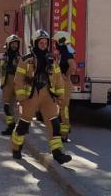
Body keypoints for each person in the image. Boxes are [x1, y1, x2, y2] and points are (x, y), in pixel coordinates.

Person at [11, 29, 73, 164]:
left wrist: (60, 96)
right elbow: (19, 79)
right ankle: (16, 148)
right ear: (35, 43)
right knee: (24, 124)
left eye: (46, 42)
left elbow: (58, 79)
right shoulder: (25, 59)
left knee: (54, 124)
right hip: (30, 96)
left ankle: (58, 154)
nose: (44, 44)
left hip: (47, 96)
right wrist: (21, 98)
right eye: (41, 42)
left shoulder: (52, 59)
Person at [0, 34, 22, 135]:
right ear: (8, 44)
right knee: (7, 107)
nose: (14, 46)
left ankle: (18, 127)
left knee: (17, 106)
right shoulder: (2, 57)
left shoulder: (21, 58)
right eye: (12, 44)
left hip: (17, 84)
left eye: (16, 44)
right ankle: (11, 126)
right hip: (6, 84)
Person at [52, 31, 77, 142]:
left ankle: (64, 134)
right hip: (60, 82)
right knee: (60, 106)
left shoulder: (67, 53)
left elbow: (73, 66)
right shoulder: (63, 53)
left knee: (63, 107)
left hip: (64, 83)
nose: (55, 44)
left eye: (56, 42)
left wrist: (66, 76)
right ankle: (64, 129)